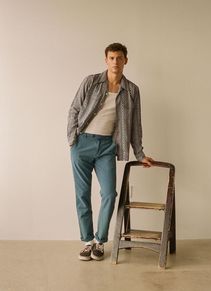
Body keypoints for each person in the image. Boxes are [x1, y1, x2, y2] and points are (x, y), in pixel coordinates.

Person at [67, 42, 153, 261]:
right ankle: (87, 242)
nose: (116, 62)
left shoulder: (132, 90)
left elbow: (135, 125)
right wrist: (72, 139)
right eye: (112, 58)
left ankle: (100, 241)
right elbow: (74, 109)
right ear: (106, 60)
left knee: (109, 194)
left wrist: (140, 154)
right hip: (82, 144)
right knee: (82, 196)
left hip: (107, 146)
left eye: (119, 58)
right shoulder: (91, 81)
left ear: (126, 60)